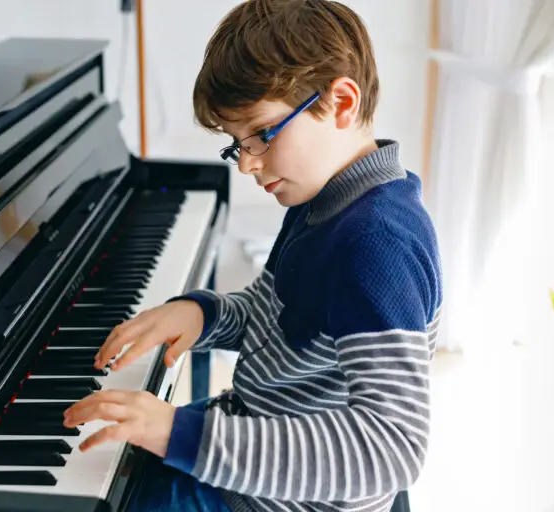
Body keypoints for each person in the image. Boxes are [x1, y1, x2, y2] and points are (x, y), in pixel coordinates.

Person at [63, 1, 443, 511]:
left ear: (342, 102)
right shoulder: (323, 203)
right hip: (254, 451)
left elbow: (391, 449)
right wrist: (204, 314)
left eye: (261, 135)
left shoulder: (375, 243)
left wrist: (180, 433)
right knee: (98, 456)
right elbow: (278, 321)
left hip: (279, 500)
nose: (246, 165)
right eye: (236, 145)